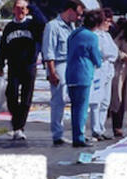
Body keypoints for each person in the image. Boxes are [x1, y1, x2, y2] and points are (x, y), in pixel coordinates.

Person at [0, 0, 43, 141]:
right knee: (11, 95)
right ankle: (17, 123)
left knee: (26, 98)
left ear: (27, 10)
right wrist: (0, 65)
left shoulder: (32, 25)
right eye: (18, 8)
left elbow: (43, 22)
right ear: (13, 10)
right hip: (13, 66)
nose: (21, 11)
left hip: (29, 66)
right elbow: (2, 47)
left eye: (23, 8)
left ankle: (19, 127)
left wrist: (32, 6)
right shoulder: (9, 27)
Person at [43, 0, 84, 146]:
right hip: (59, 64)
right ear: (70, 11)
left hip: (72, 64)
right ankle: (57, 134)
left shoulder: (72, 27)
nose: (79, 18)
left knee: (75, 99)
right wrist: (52, 72)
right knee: (59, 100)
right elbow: (48, 51)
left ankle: (77, 133)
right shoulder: (53, 26)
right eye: (78, 14)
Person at [65, 9, 102, 148]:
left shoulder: (74, 33)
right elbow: (96, 56)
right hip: (84, 73)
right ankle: (79, 137)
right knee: (82, 107)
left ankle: (77, 134)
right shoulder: (92, 36)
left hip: (71, 72)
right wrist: (99, 62)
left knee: (75, 107)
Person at [88, 9, 117, 140]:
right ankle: (95, 129)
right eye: (107, 21)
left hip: (108, 68)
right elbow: (103, 52)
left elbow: (114, 52)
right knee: (96, 101)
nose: (109, 24)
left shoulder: (107, 35)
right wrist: (109, 54)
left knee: (106, 101)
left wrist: (109, 55)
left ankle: (101, 127)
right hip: (98, 69)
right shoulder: (95, 35)